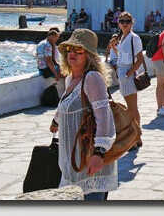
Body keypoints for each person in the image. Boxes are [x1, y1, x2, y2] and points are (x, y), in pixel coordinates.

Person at [46, 30, 119, 201]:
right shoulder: (70, 79)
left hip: (89, 161)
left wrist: (99, 153)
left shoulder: (92, 78)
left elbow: (104, 118)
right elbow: (66, 104)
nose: (72, 53)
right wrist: (56, 120)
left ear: (89, 56)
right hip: (73, 161)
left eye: (79, 50)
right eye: (69, 49)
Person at [107, 12, 146, 150]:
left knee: (132, 108)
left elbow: (140, 58)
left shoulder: (134, 38)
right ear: (118, 23)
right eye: (122, 21)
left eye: (127, 21)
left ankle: (136, 137)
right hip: (123, 73)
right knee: (130, 108)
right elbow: (123, 56)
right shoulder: (123, 37)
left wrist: (129, 72)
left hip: (127, 74)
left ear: (132, 23)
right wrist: (114, 48)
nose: (124, 24)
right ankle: (136, 137)